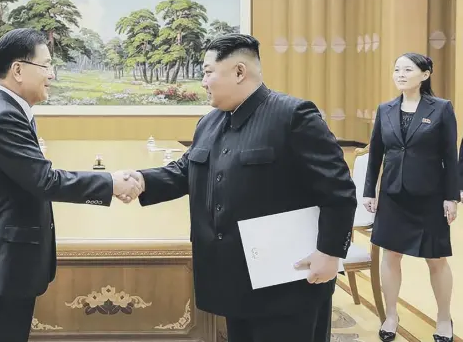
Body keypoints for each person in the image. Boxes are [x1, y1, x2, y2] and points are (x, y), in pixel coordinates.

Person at [116, 34, 357, 342]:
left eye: (207, 72)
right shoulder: (209, 122)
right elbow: (186, 169)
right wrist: (140, 179)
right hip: (232, 277)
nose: (202, 81)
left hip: (288, 281)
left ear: (239, 72)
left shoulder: (293, 116)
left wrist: (330, 251)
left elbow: (338, 188)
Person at [0, 28, 141, 342]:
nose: (51, 74)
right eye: (46, 65)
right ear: (18, 70)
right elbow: (45, 180)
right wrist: (110, 183)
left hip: (5, 259)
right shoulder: (3, 117)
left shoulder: (12, 110)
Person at [364, 53, 456, 342]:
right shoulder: (385, 109)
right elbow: (375, 152)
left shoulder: (441, 109)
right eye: (396, 69)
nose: (400, 74)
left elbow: (450, 157)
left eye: (407, 69)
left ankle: (443, 318)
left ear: (425, 74)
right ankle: (391, 315)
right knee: (390, 255)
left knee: (436, 258)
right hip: (392, 194)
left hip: (430, 195)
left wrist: (451, 197)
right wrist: (369, 190)